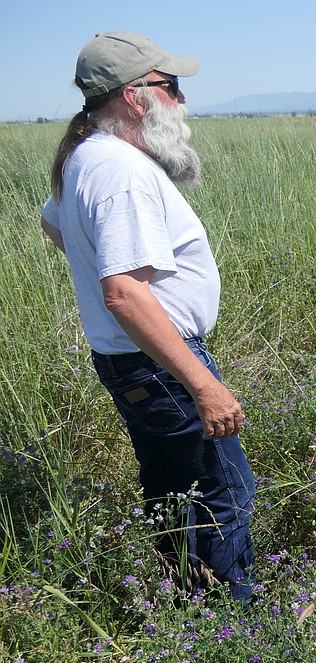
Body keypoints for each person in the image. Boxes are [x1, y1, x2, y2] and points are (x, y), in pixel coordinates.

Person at [40, 32, 256, 602]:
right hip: (159, 363)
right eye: (172, 87)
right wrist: (204, 385)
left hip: (130, 361)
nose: (182, 101)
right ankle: (234, 631)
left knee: (173, 490)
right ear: (136, 97)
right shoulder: (121, 172)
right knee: (225, 494)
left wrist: (97, 264)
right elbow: (126, 295)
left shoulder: (86, 155)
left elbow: (54, 225)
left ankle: (188, 613)